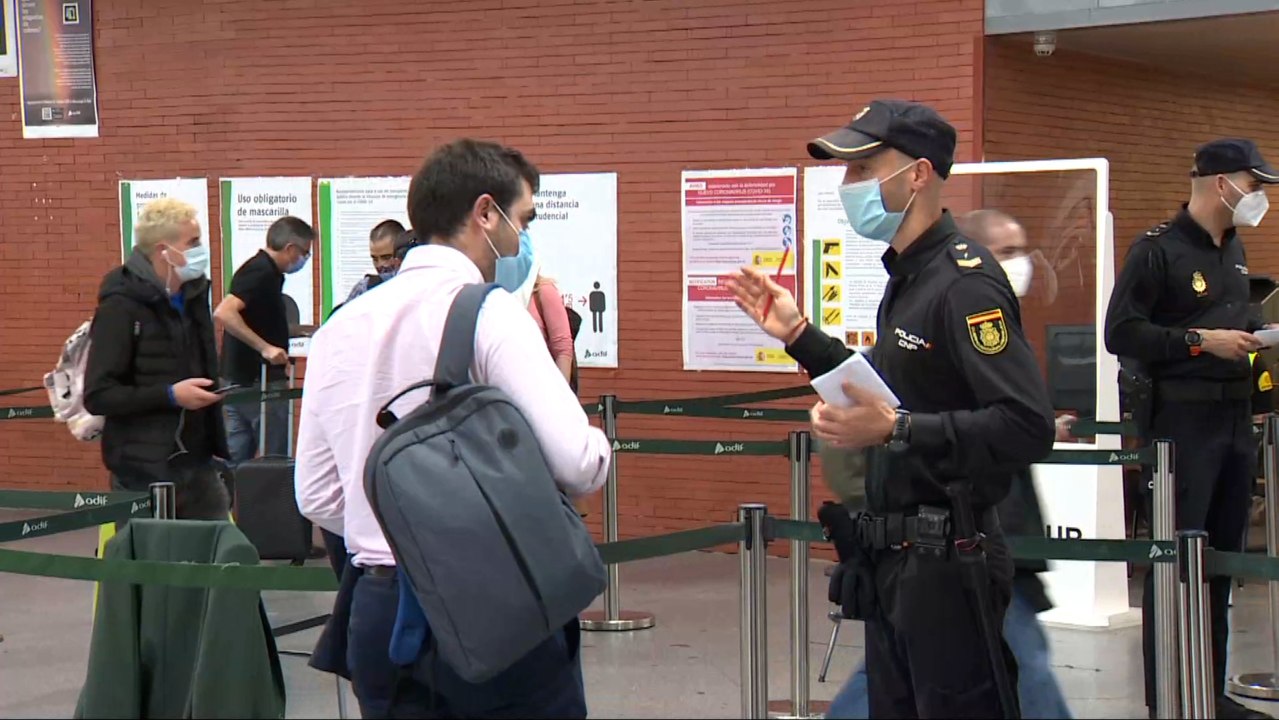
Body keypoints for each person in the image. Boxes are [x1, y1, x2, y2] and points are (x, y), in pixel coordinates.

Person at [728, 99, 1055, 718]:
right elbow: (888, 391)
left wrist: (898, 428)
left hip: (949, 563)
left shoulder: (964, 284)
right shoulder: (909, 278)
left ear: (918, 174)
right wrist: (801, 335)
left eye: (862, 169)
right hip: (898, 563)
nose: (849, 186)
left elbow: (1026, 425)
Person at [295, 138, 610, 719]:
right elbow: (580, 463)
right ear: (484, 213)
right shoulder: (491, 314)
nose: (522, 239)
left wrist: (398, 533)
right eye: (522, 219)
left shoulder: (339, 328)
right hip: (493, 601)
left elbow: (315, 493)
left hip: (380, 611)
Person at [823, 208, 1075, 720]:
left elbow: (1015, 424)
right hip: (951, 546)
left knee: (940, 672)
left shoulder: (977, 307)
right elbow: (889, 416)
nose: (1019, 263)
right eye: (1006, 252)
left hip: (982, 538)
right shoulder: (943, 296)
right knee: (1018, 675)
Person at [1104, 137, 1276, 720]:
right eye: (1254, 186)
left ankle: (1209, 688)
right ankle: (1169, 693)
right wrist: (1202, 343)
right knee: (1176, 562)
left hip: (1233, 419)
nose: (1258, 198)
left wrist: (1254, 337)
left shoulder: (1235, 251)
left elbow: (1235, 320)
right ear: (1218, 181)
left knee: (1222, 562)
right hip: (1181, 423)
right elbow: (1121, 333)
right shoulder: (1157, 251)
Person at [83, 198, 230, 519]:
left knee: (222, 558)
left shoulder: (194, 295)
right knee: (154, 563)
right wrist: (170, 395)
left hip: (199, 461)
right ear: (164, 250)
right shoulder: (120, 306)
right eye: (193, 242)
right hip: (144, 471)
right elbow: (98, 394)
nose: (201, 249)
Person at [214, 216, 314, 464]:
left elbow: (258, 319)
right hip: (257, 382)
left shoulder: (266, 272)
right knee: (273, 458)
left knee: (236, 458)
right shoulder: (260, 272)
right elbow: (225, 312)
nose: (305, 260)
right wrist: (266, 348)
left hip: (240, 378)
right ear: (291, 249)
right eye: (305, 253)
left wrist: (296, 331)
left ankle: (229, 501)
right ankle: (266, 502)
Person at [345, 219, 407, 302]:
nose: (380, 265)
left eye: (386, 257)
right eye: (374, 259)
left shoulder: (422, 284)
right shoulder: (364, 289)